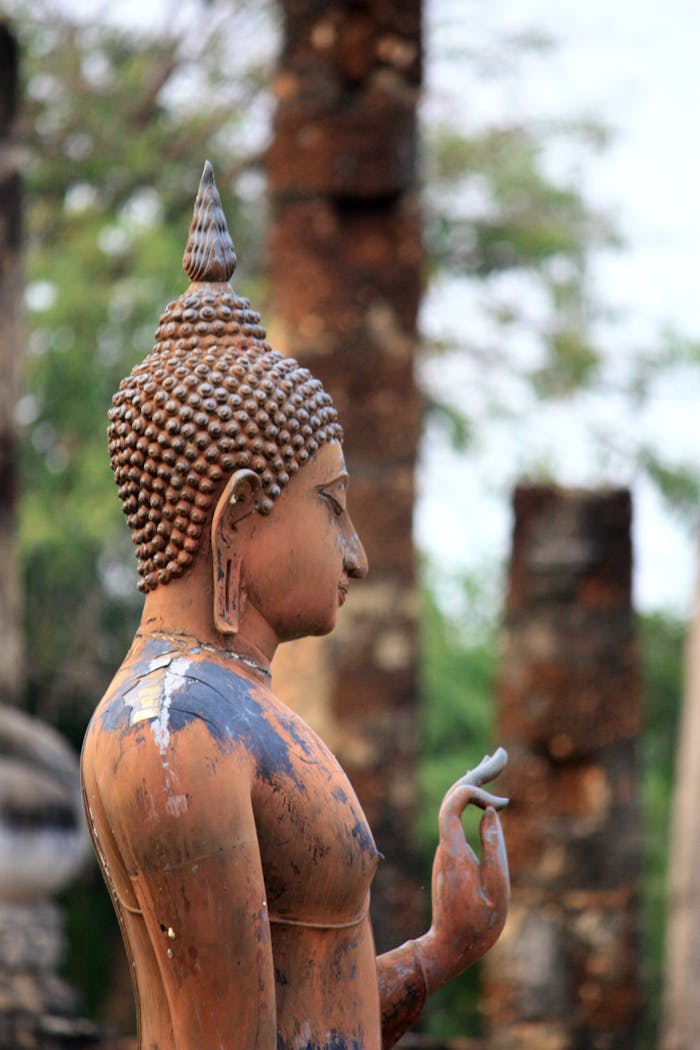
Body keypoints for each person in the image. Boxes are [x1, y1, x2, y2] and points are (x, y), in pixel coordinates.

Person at [81, 162, 509, 1050]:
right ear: (238, 513)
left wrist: (444, 948)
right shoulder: (176, 730)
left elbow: (315, 1020)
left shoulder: (227, 706)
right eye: (332, 505)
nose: (355, 553)